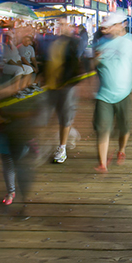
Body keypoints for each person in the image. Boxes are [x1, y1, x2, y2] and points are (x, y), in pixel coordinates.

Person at [92, 10, 132, 173]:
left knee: (124, 127)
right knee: (103, 128)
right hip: (104, 95)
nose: (108, 28)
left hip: (124, 93)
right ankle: (102, 163)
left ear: (122, 25)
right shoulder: (99, 43)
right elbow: (92, 65)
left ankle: (121, 149)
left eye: (112, 25)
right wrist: (95, 60)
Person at [45, 24, 84, 164]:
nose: (60, 27)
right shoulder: (52, 42)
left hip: (66, 85)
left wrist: (66, 80)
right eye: (59, 24)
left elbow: (75, 63)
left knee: (64, 117)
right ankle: (63, 137)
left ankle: (62, 148)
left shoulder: (73, 43)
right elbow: (47, 61)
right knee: (46, 117)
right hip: (50, 85)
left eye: (64, 24)